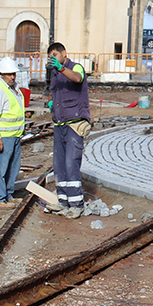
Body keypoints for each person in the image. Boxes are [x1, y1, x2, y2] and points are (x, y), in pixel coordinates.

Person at [46, 42, 92, 218]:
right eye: (50, 57)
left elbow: (78, 78)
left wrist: (61, 68)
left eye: (55, 55)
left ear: (64, 54)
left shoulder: (75, 67)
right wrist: (51, 103)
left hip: (74, 123)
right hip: (59, 124)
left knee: (71, 163)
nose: (52, 59)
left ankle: (76, 204)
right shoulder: (55, 75)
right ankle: (63, 201)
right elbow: (52, 92)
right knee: (59, 165)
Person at [0, 57, 26, 210]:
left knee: (13, 168)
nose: (12, 77)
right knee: (1, 169)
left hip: (15, 136)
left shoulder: (14, 89)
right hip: (4, 137)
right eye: (9, 74)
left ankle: (8, 195)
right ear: (1, 74)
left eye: (13, 74)